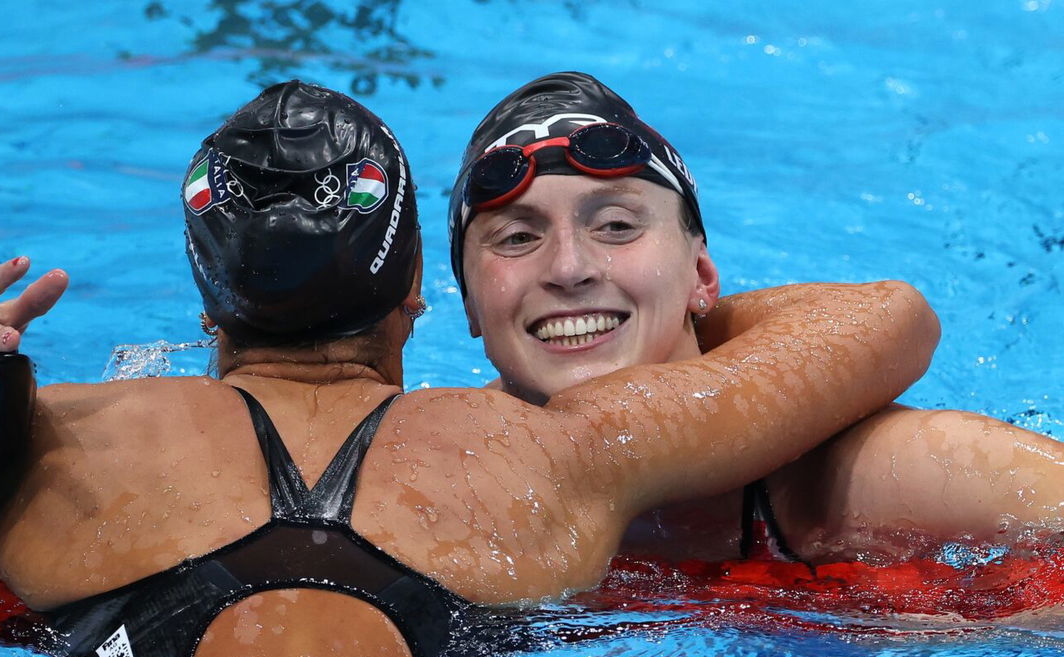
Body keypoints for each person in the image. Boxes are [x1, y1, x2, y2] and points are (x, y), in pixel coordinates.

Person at [0, 81, 936, 657]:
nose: (563, 267)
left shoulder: (52, 438)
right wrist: (675, 298)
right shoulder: (565, 448)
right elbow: (885, 318)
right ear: (424, 289)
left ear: (205, 309)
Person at [447, 71, 1064, 565]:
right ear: (470, 305)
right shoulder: (454, 494)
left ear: (701, 277)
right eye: (517, 237)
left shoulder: (877, 479)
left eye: (616, 226)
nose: (569, 267)